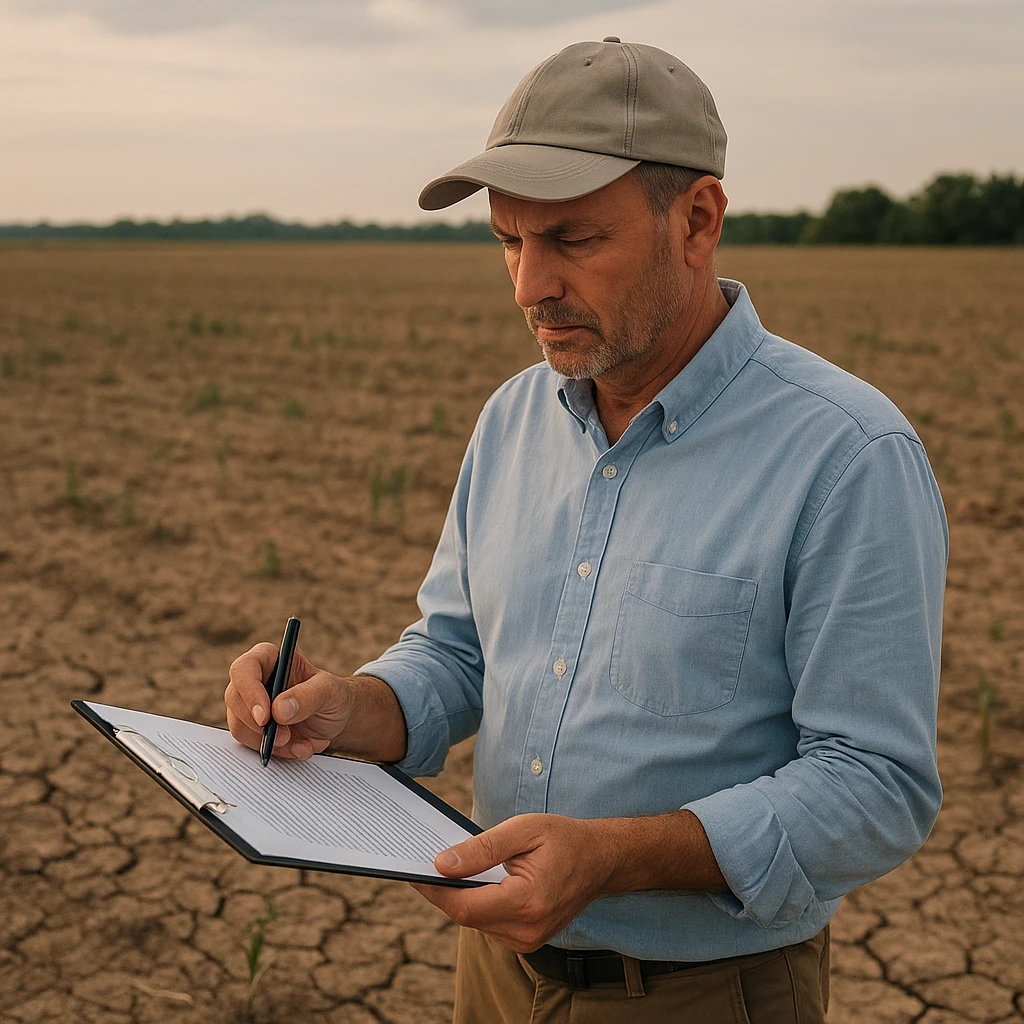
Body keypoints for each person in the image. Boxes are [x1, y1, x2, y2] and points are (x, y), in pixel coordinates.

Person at [225, 37, 948, 1024]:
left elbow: (875, 784)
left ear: (696, 222)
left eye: (572, 239)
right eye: (508, 242)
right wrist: (344, 708)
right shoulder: (512, 418)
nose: (529, 285)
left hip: (701, 996)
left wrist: (614, 857)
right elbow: (460, 653)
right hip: (495, 972)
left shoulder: (846, 453)